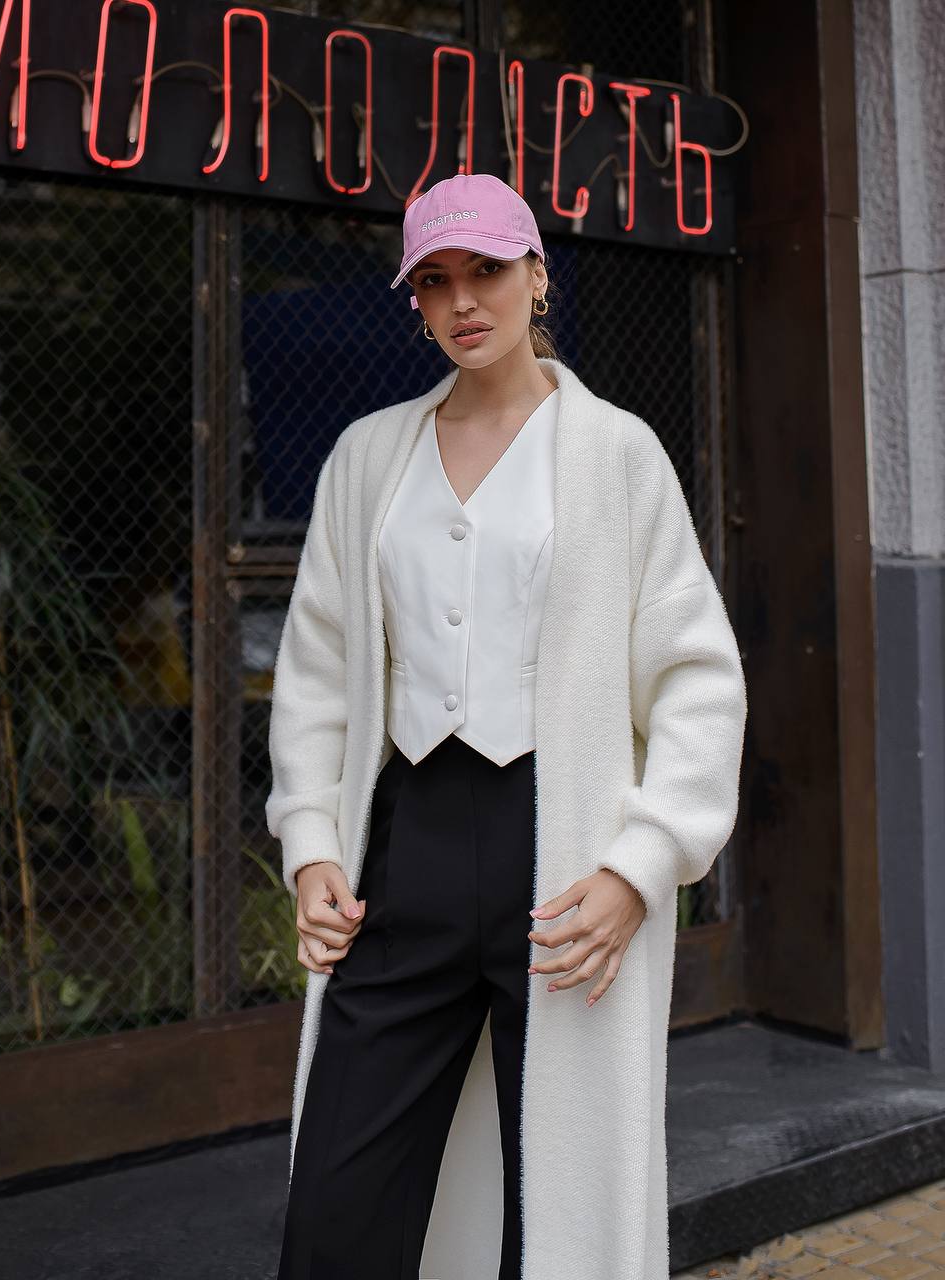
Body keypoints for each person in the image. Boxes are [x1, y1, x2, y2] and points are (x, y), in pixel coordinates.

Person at [266, 172, 748, 1280]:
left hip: (567, 866)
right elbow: (320, 670)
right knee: (336, 1207)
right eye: (434, 282)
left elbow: (694, 676)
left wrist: (640, 863)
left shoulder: (617, 452)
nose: (461, 300)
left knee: (557, 1218)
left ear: (538, 276)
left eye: (485, 270)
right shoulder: (366, 456)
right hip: (405, 854)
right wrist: (311, 846)